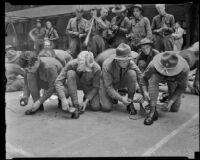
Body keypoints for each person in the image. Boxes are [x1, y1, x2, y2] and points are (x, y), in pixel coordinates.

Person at [141, 51, 189, 125]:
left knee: (174, 109)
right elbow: (143, 78)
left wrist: (171, 102)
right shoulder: (153, 65)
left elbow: (182, 87)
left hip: (174, 79)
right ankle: (153, 111)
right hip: (158, 74)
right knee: (153, 80)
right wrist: (145, 91)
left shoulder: (184, 69)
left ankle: (166, 95)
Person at [100, 43, 144, 117]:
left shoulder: (130, 62)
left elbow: (141, 77)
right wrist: (121, 98)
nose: (126, 62)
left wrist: (144, 93)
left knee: (132, 73)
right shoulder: (107, 65)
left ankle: (129, 102)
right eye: (123, 60)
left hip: (119, 81)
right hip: (107, 83)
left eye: (128, 60)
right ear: (117, 59)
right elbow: (109, 87)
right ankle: (101, 95)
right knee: (106, 107)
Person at [55, 51, 101, 119]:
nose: (86, 70)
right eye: (84, 68)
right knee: (70, 73)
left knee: (96, 107)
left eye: (88, 69)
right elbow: (58, 82)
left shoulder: (97, 68)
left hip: (88, 86)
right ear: (79, 63)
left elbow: (96, 87)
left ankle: (86, 97)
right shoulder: (71, 64)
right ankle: (75, 104)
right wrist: (63, 99)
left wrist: (85, 102)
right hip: (73, 84)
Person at [18, 51, 63, 115]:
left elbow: (53, 87)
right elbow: (26, 83)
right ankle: (37, 104)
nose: (28, 70)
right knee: (30, 75)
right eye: (26, 69)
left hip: (60, 84)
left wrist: (40, 101)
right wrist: (25, 95)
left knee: (63, 91)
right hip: (45, 81)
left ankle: (61, 99)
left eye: (30, 68)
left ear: (36, 62)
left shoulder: (49, 67)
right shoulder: (29, 66)